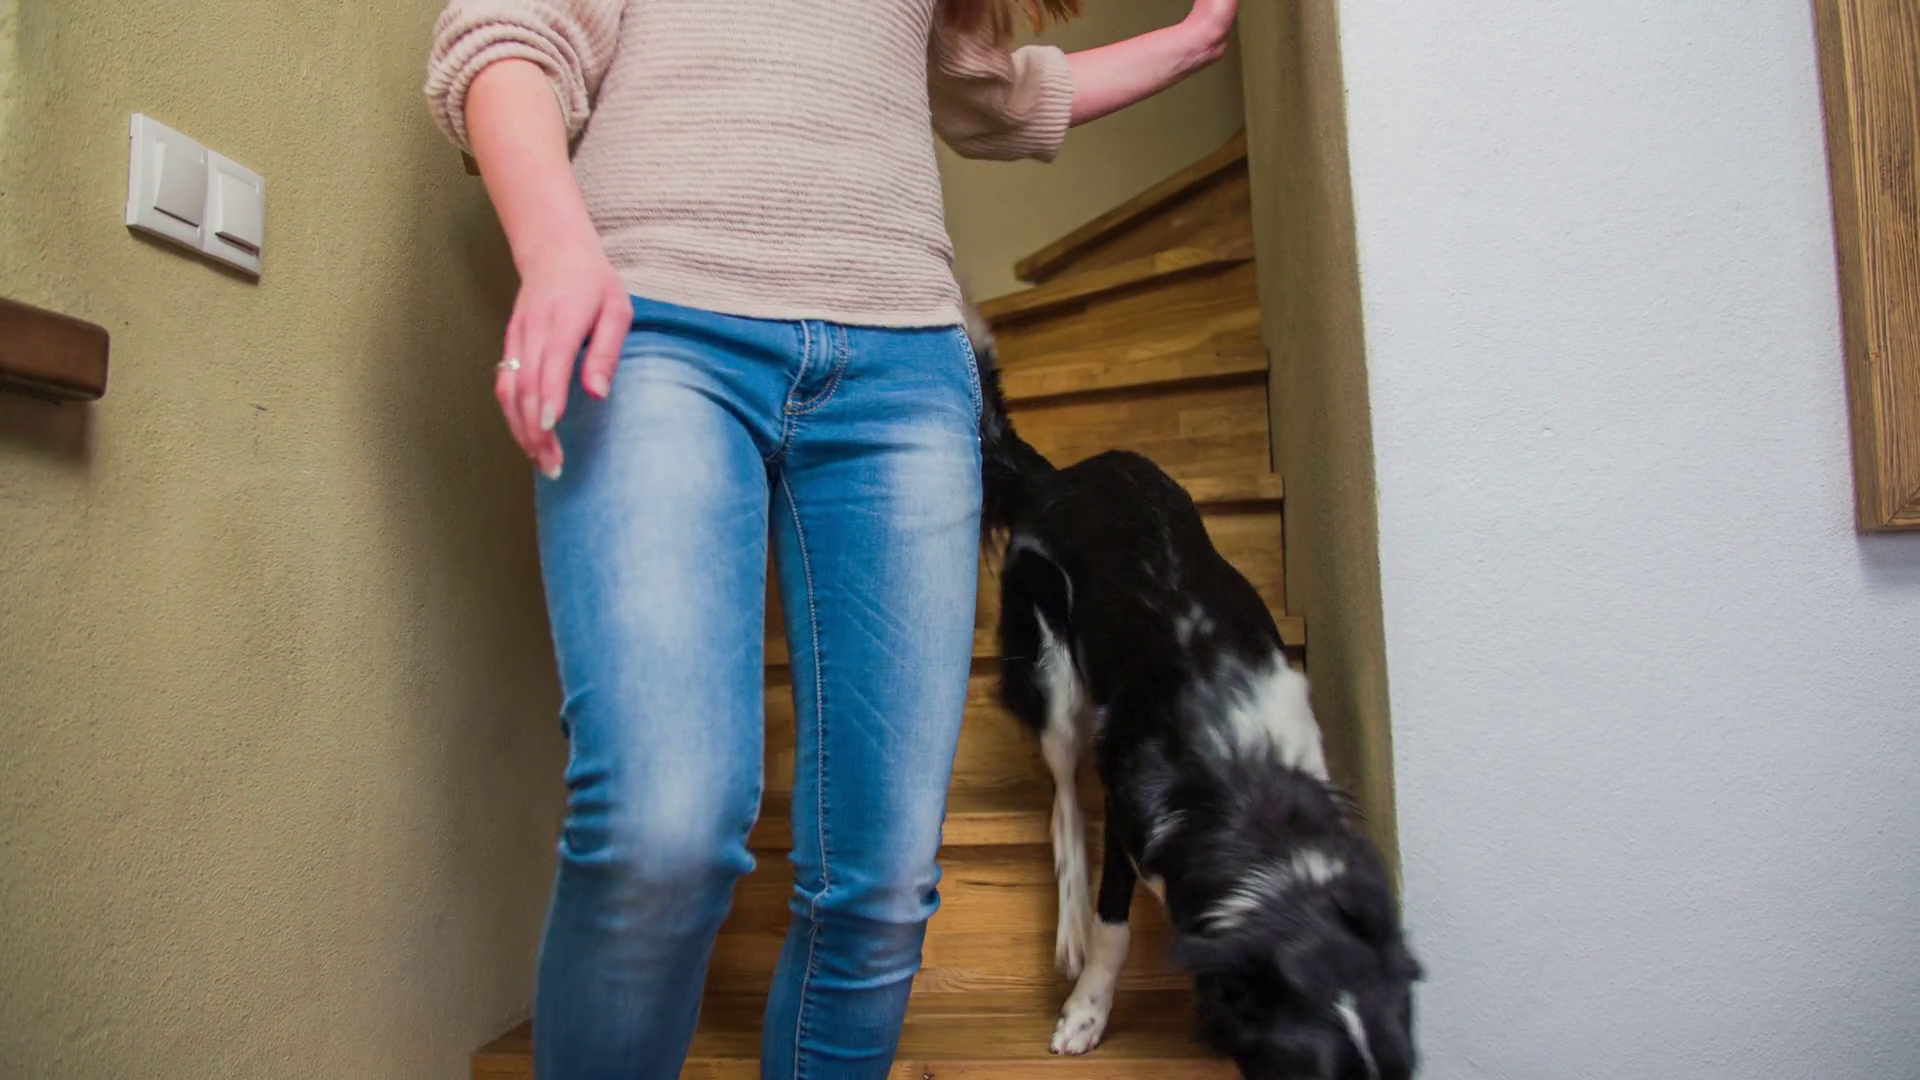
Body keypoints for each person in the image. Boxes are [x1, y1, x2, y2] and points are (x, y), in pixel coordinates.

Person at [424, 1, 1239, 1076]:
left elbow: (991, 92)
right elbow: (509, 36)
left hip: (902, 373)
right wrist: (556, 245)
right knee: (662, 830)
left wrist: (1196, 40)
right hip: (656, 325)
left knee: (881, 888)